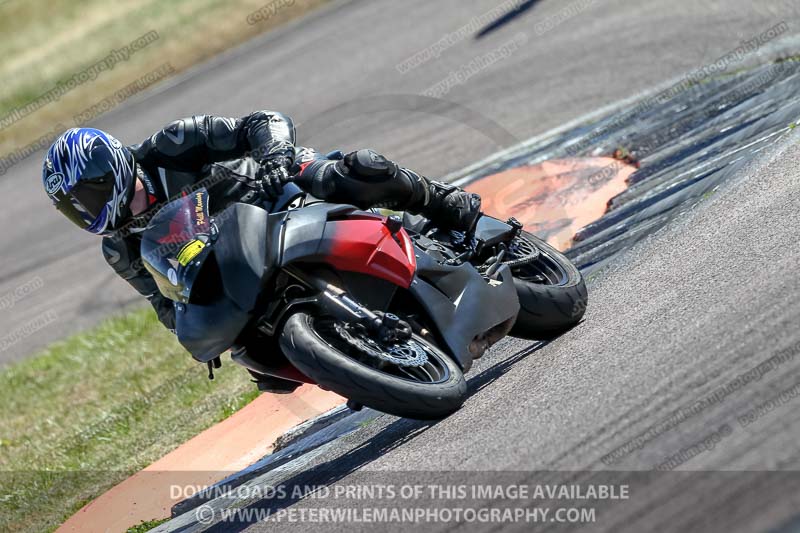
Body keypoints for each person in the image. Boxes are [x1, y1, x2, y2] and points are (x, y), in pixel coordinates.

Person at [42, 111, 481, 391]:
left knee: (356, 171)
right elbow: (163, 303)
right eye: (72, 209)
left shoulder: (171, 145)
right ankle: (355, 362)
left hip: (278, 192)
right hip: (238, 263)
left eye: (87, 196)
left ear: (110, 171)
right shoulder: (120, 248)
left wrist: (274, 156)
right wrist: (191, 328)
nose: (85, 212)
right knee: (257, 361)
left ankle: (442, 203)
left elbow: (261, 121)